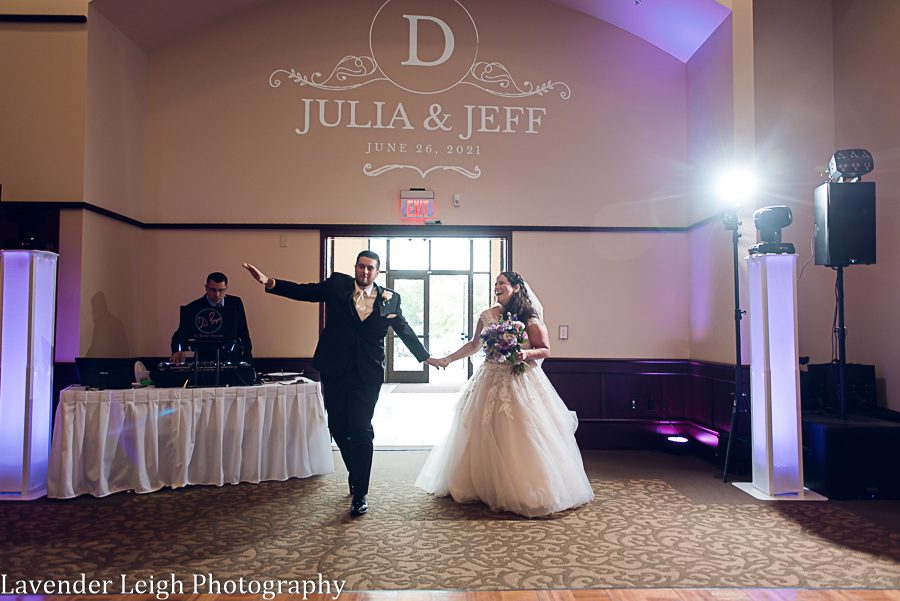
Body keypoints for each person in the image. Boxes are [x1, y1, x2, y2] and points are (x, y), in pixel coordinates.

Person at [243, 251, 443, 517]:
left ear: (377, 272)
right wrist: (270, 282)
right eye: (361, 266)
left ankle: (360, 493)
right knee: (337, 426)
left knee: (361, 428)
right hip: (335, 369)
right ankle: (355, 470)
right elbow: (305, 292)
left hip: (367, 374)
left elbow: (404, 329)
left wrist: (426, 357)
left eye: (370, 268)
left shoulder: (391, 298)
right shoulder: (338, 285)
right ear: (355, 267)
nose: (365, 272)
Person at [416, 271, 594, 518]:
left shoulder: (529, 316)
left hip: (518, 379)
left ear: (516, 288)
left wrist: (524, 354)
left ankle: (520, 488)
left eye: (502, 283)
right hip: (488, 378)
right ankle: (482, 484)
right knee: (480, 428)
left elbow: (544, 349)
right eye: (495, 284)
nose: (497, 287)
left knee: (519, 432)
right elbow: (474, 345)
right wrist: (448, 359)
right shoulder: (487, 315)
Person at [170, 272, 252, 364]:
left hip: (232, 358)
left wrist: (248, 360)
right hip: (205, 359)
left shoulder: (235, 303)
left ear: (226, 288)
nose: (217, 294)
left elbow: (244, 332)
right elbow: (180, 335)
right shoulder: (194, 307)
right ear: (206, 288)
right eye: (213, 290)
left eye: (221, 290)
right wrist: (178, 350)